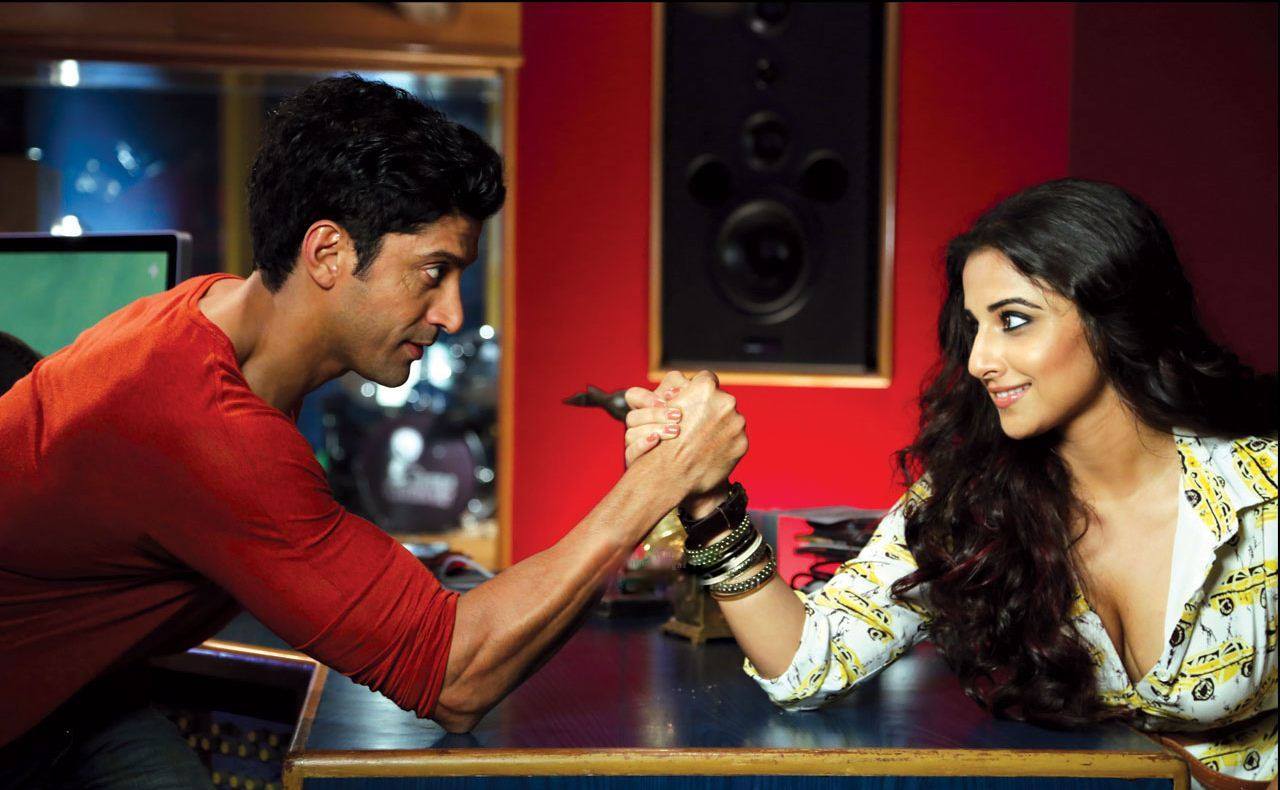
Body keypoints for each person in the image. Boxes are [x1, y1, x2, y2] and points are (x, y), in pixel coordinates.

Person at [0, 75, 747, 788]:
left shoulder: (202, 312)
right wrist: (661, 480)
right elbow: (455, 680)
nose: (452, 314)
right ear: (328, 253)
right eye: (433, 271)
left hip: (86, 692)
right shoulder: (205, 425)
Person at [626, 179, 1276, 788]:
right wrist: (707, 502)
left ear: (1113, 311)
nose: (979, 360)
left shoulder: (1262, 493)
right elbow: (807, 664)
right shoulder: (971, 501)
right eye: (974, 327)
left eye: (1013, 320)